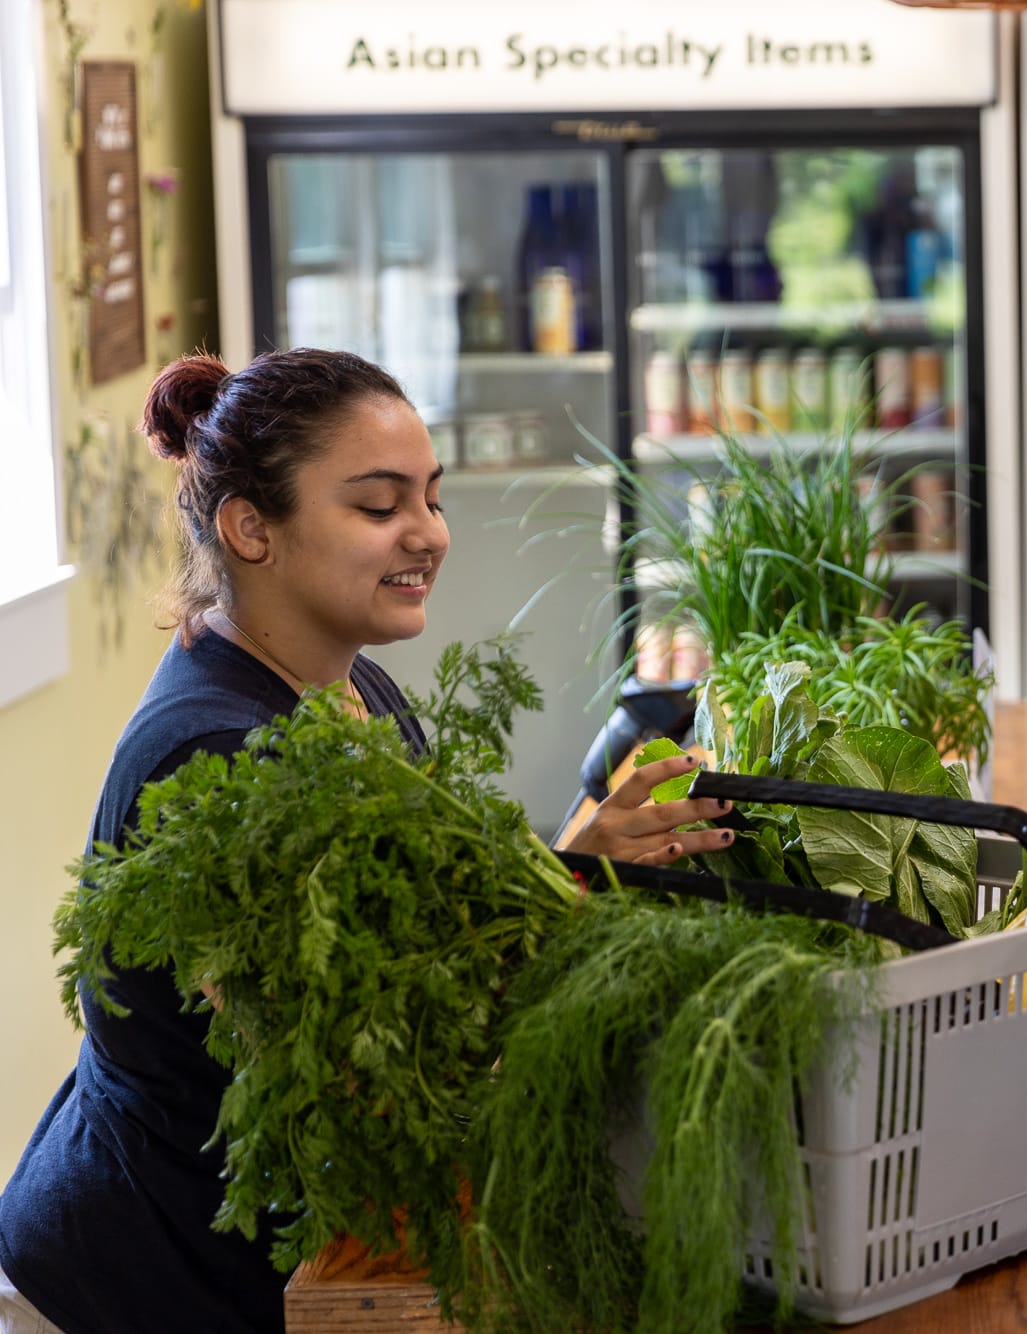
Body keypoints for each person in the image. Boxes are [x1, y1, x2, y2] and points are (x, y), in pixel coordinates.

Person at [0, 349, 730, 1334]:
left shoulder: (348, 685)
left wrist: (577, 859)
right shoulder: (212, 756)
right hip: (130, 1281)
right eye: (378, 505)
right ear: (250, 526)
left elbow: (431, 934)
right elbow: (368, 1061)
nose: (427, 531)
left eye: (428, 497)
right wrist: (579, 873)